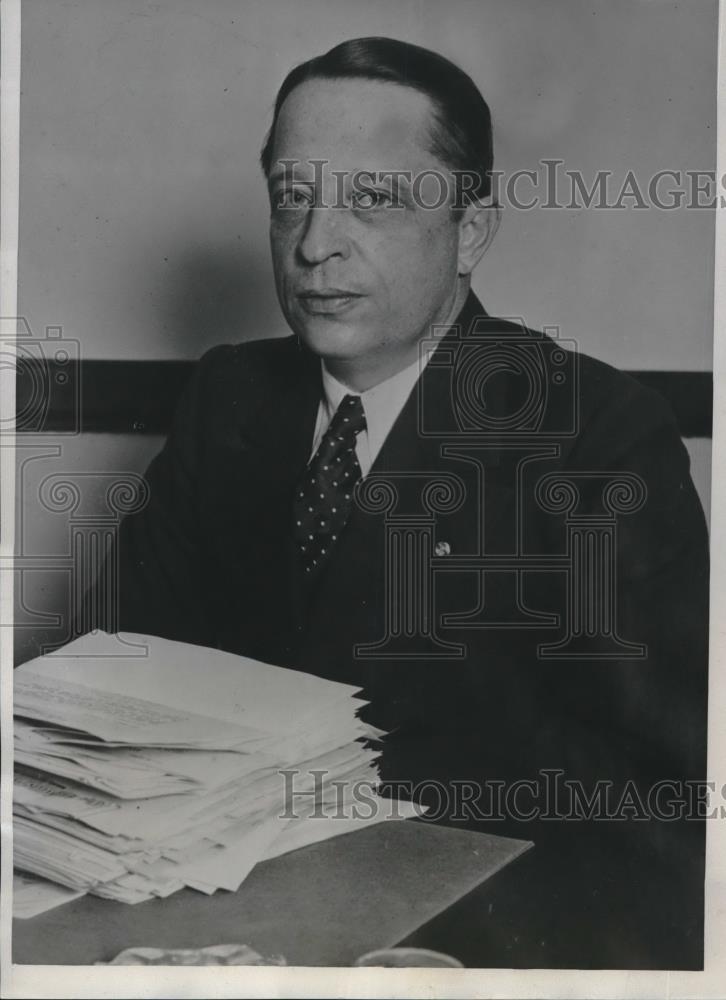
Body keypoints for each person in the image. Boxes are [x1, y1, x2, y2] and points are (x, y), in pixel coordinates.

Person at [85, 37, 709, 967]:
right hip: (207, 926)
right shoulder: (230, 398)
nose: (314, 244)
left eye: (372, 199)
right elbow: (114, 697)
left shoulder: (597, 437)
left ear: (471, 230)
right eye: (292, 196)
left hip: (462, 943)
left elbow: (655, 802)